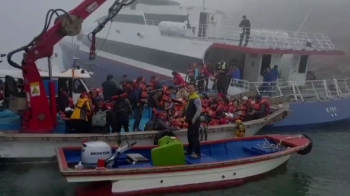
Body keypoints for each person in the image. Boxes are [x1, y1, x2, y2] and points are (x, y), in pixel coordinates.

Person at [184, 83, 202, 158]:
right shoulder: (190, 96)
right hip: (189, 120)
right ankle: (189, 150)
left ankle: (198, 153)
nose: (190, 89)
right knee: (190, 135)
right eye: (189, 88)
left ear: (194, 89)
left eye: (191, 88)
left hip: (194, 120)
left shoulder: (196, 98)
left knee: (195, 136)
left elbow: (199, 110)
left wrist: (194, 119)